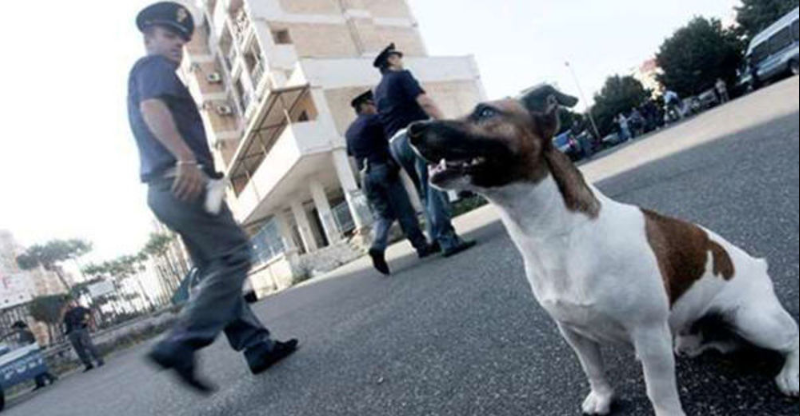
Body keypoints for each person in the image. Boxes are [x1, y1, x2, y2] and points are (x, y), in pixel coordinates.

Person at [128, 2, 297, 393]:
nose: (177, 45)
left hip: (171, 188)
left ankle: (257, 345)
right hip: (181, 179)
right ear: (148, 38)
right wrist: (185, 159)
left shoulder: (153, 72)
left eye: (182, 40)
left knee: (216, 269)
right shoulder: (151, 68)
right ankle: (181, 343)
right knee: (235, 254)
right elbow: (151, 107)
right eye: (169, 36)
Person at [372, 43, 477, 258]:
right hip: (415, 137)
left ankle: (435, 239)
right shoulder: (402, 76)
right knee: (434, 186)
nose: (401, 59)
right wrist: (446, 124)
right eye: (398, 56)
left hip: (396, 144)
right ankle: (448, 239)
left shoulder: (378, 90)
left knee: (423, 190)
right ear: (391, 60)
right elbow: (425, 102)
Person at [346, 91, 436, 275]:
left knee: (383, 215)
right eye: (372, 103)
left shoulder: (350, 131)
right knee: (404, 211)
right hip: (382, 169)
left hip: (365, 176)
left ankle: (377, 246)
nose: (375, 106)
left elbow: (350, 153)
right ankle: (421, 246)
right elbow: (391, 134)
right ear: (364, 105)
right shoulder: (374, 120)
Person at [11, 321, 58, 390]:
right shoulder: (25, 331)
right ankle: (41, 382)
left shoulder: (24, 332)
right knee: (34, 367)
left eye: (15, 328)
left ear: (18, 327)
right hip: (32, 350)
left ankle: (49, 377)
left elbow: (25, 342)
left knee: (35, 367)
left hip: (31, 351)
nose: (15, 330)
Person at [62, 301, 105, 372]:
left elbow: (90, 312)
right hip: (71, 332)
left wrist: (87, 321)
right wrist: (64, 311)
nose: (68, 305)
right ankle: (88, 364)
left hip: (81, 328)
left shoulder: (80, 309)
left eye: (69, 303)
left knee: (88, 345)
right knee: (79, 349)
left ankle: (99, 359)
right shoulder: (67, 314)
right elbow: (62, 322)